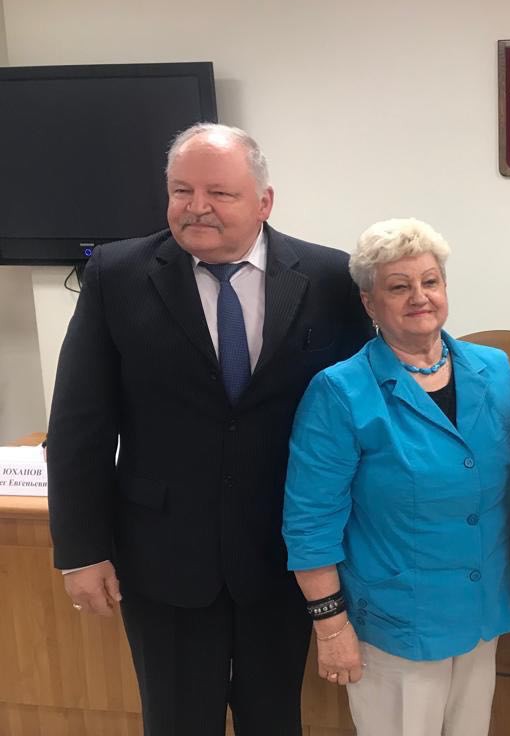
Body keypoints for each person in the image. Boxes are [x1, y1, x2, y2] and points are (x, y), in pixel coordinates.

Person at [46, 123, 373, 736]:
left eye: (219, 193)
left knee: (274, 719)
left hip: (283, 554)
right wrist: (81, 549)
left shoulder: (331, 278)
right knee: (175, 721)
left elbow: (368, 409)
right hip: (163, 556)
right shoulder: (117, 275)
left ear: (264, 201)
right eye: (182, 190)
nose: (197, 206)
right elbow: (78, 423)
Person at [282, 218, 510, 736]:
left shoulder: (494, 369)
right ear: (370, 303)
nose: (420, 296)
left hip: (481, 612)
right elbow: (309, 524)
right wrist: (331, 628)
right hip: (396, 624)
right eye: (399, 286)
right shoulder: (340, 391)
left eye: (430, 281)